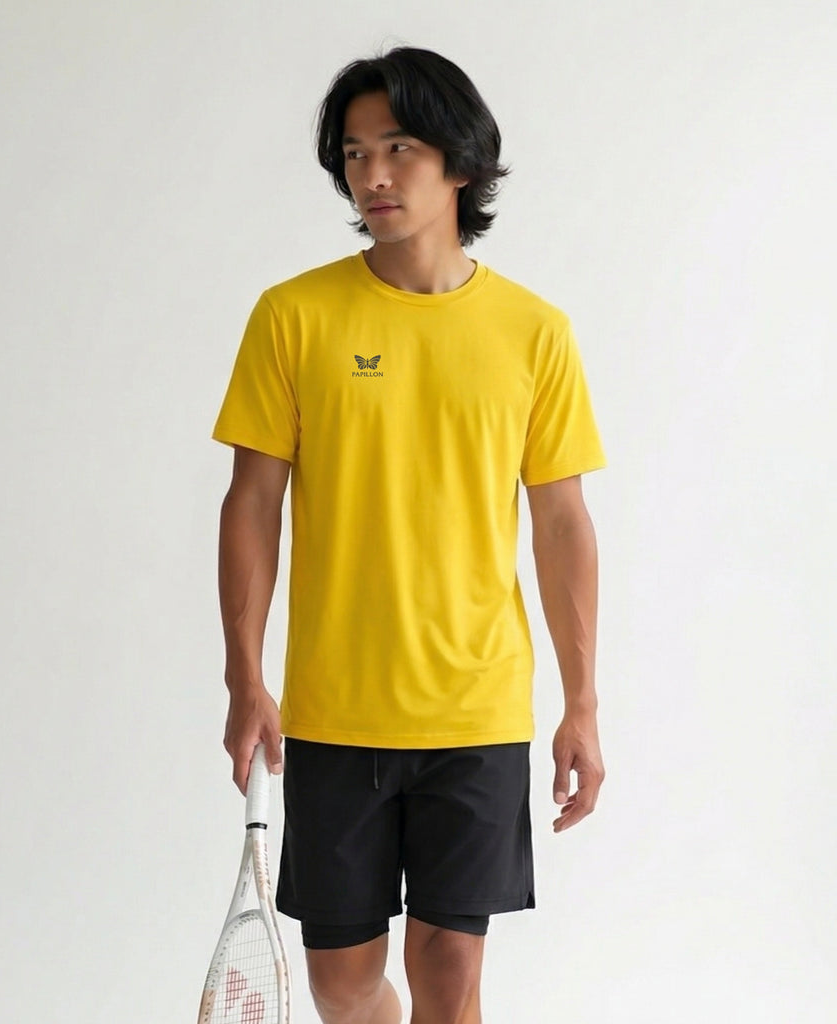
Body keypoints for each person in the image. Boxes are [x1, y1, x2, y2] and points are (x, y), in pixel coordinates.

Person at [212, 46, 606, 1024]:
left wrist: (582, 703)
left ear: (460, 162)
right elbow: (252, 502)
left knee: (452, 973)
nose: (372, 175)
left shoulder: (535, 331)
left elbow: (562, 521)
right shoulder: (293, 315)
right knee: (343, 982)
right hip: (334, 710)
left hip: (475, 710)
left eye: (398, 148)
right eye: (354, 153)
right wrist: (244, 675)